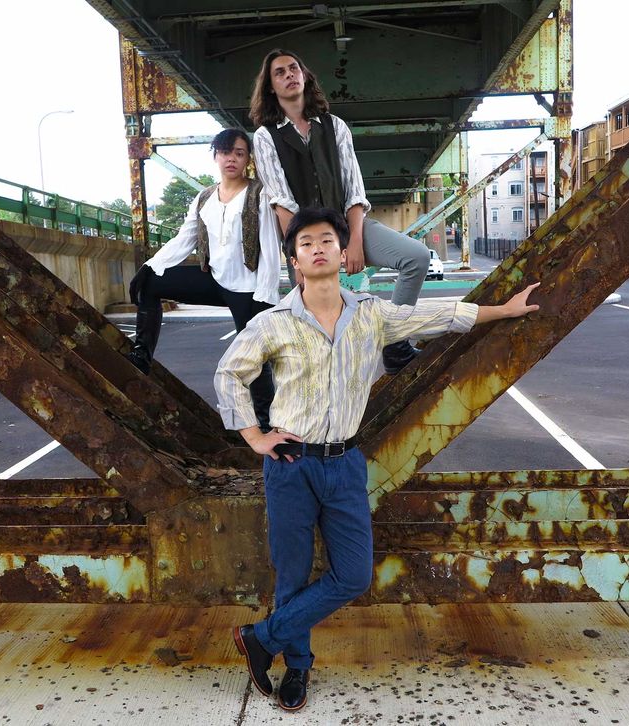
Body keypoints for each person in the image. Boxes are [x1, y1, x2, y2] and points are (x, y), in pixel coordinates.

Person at [214, 207, 540, 711]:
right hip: (289, 465)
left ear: (344, 256)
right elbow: (228, 373)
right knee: (293, 572)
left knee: (353, 575)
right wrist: (254, 436)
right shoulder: (273, 323)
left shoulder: (371, 313)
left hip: (344, 463)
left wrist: (504, 311)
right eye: (306, 243)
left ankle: (261, 639)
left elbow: (439, 315)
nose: (318, 247)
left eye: (327, 240)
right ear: (294, 261)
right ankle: (296, 669)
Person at [250, 48, 433, 374]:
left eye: (294, 68)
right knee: (318, 332)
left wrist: (356, 242)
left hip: (347, 225)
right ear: (271, 87)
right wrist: (301, 254)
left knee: (416, 257)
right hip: (307, 239)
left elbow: (354, 190)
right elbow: (281, 203)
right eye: (280, 72)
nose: (289, 75)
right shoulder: (266, 137)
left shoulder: (335, 126)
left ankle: (394, 344)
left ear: (305, 76)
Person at [128, 128, 279, 429]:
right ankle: (142, 355)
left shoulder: (259, 194)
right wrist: (150, 266)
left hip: (248, 287)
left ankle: (266, 424)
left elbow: (270, 247)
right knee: (151, 283)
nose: (231, 159)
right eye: (225, 152)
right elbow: (185, 239)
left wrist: (265, 295)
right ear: (215, 156)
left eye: (239, 153)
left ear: (248, 158)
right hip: (214, 279)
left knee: (256, 359)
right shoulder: (204, 197)